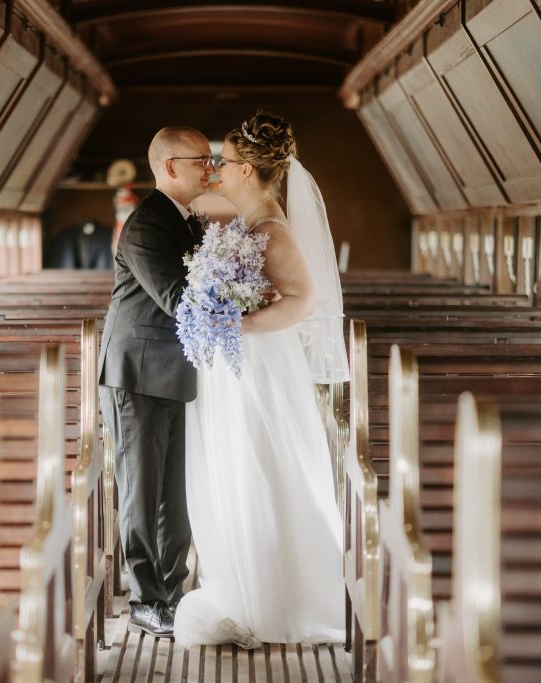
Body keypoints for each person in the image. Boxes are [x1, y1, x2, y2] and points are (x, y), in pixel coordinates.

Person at [174, 111, 348, 647]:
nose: (218, 170)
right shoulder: (249, 222)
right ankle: (243, 585)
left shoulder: (272, 228)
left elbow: (304, 302)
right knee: (237, 469)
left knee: (265, 468)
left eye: (225, 162)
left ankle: (279, 599)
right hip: (237, 366)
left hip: (263, 370)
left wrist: (236, 322)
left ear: (247, 170)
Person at [98, 126, 213, 638]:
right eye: (201, 161)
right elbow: (175, 297)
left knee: (177, 494)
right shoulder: (146, 224)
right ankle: (145, 599)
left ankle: (172, 591)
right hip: (138, 376)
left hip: (176, 374)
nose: (210, 169)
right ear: (170, 167)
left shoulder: (188, 220)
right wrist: (241, 309)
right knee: (142, 494)